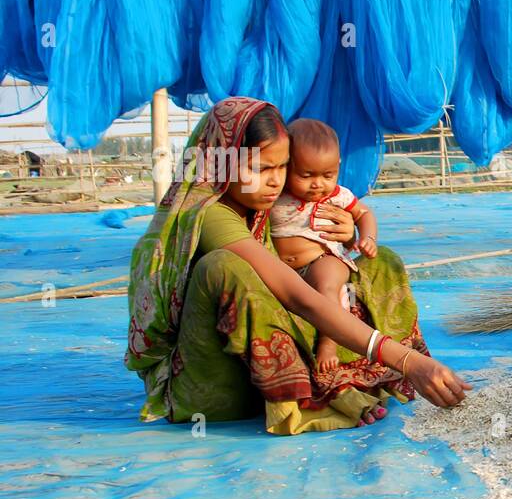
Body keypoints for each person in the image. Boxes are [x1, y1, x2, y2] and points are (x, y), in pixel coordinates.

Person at [125, 96, 470, 435]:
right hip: (216, 388)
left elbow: (315, 259)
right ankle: (308, 398)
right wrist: (406, 361)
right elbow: (294, 295)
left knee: (380, 263)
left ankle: (341, 379)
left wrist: (350, 236)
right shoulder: (211, 215)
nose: (275, 181)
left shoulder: (267, 207)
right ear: (221, 163)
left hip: (262, 365)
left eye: (282, 166)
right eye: (261, 169)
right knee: (225, 267)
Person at [271, 118, 376, 373]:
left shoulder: (337, 195)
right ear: (287, 166)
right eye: (306, 175)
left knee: (327, 286)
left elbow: (364, 214)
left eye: (327, 175)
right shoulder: (274, 194)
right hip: (284, 270)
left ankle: (329, 343)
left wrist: (368, 238)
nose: (318, 183)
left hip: (324, 259)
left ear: (338, 166)